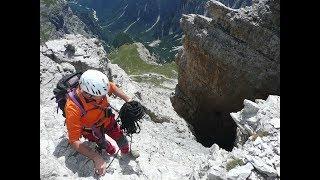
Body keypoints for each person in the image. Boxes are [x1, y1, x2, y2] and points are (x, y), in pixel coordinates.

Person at [65, 69, 139, 176]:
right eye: (101, 95)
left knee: (120, 137)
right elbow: (74, 140)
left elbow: (112, 87)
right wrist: (96, 157)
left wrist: (128, 99)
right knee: (105, 145)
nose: (104, 96)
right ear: (88, 94)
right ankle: (112, 151)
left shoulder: (98, 86)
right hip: (92, 131)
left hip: (108, 120)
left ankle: (126, 151)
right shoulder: (73, 108)